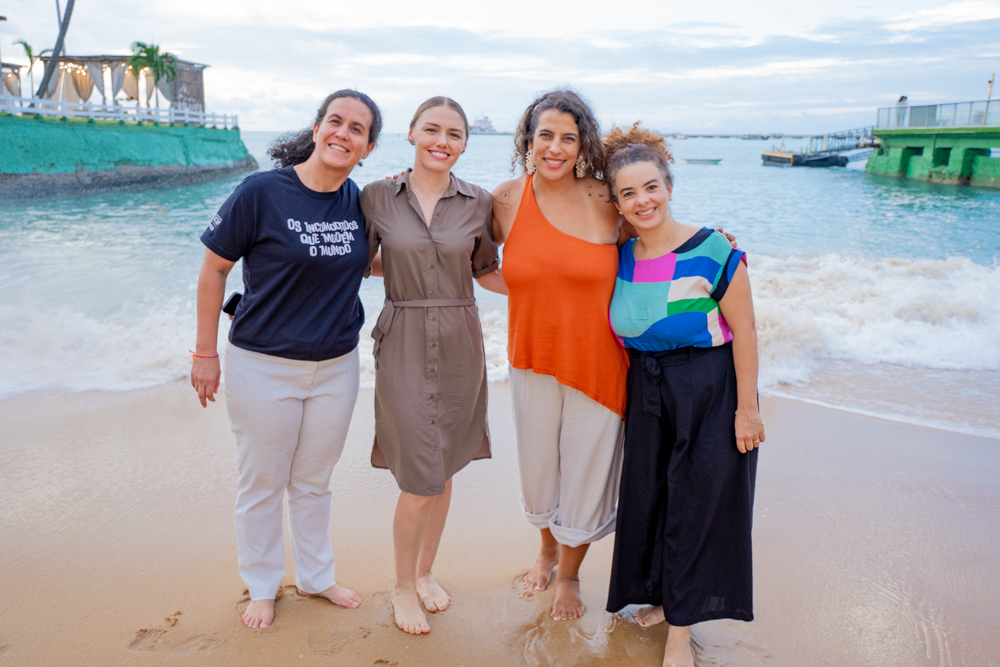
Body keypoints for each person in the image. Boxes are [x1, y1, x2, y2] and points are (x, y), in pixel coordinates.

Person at [190, 89, 382, 630]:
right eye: (335, 122)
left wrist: (442, 257)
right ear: (318, 128)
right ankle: (262, 584)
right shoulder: (261, 192)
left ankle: (317, 577)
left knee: (314, 481)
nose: (343, 134)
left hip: (336, 366)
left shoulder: (358, 203)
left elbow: (370, 266)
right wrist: (205, 354)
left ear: (367, 147)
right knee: (263, 481)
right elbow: (213, 271)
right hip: (263, 363)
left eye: (357, 129)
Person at [602, 123, 762, 667]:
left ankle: (681, 628)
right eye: (627, 192)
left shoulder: (713, 248)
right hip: (647, 387)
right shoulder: (620, 255)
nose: (641, 200)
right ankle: (667, 599)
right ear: (616, 202)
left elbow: (746, 331)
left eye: (651, 187)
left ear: (669, 185)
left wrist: (747, 411)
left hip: (710, 387)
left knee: (697, 504)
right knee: (653, 499)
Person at [360, 96, 506, 635]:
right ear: (413, 134)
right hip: (401, 338)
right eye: (433, 130)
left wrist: (552, 290)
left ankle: (424, 574)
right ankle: (401, 587)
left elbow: (487, 269)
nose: (443, 141)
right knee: (420, 475)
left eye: (455, 134)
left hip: (462, 339)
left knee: (442, 469)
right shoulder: (375, 196)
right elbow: (355, 261)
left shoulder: (479, 201)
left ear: (466, 144)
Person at [490, 90, 630, 621]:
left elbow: (659, 244)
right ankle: (546, 548)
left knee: (587, 476)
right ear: (528, 139)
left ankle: (568, 574)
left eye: (568, 138)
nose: (555, 147)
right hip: (531, 357)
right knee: (540, 470)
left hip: (600, 365)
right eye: (545, 134)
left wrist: (717, 246)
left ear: (582, 144)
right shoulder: (505, 199)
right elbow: (459, 252)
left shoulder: (606, 199)